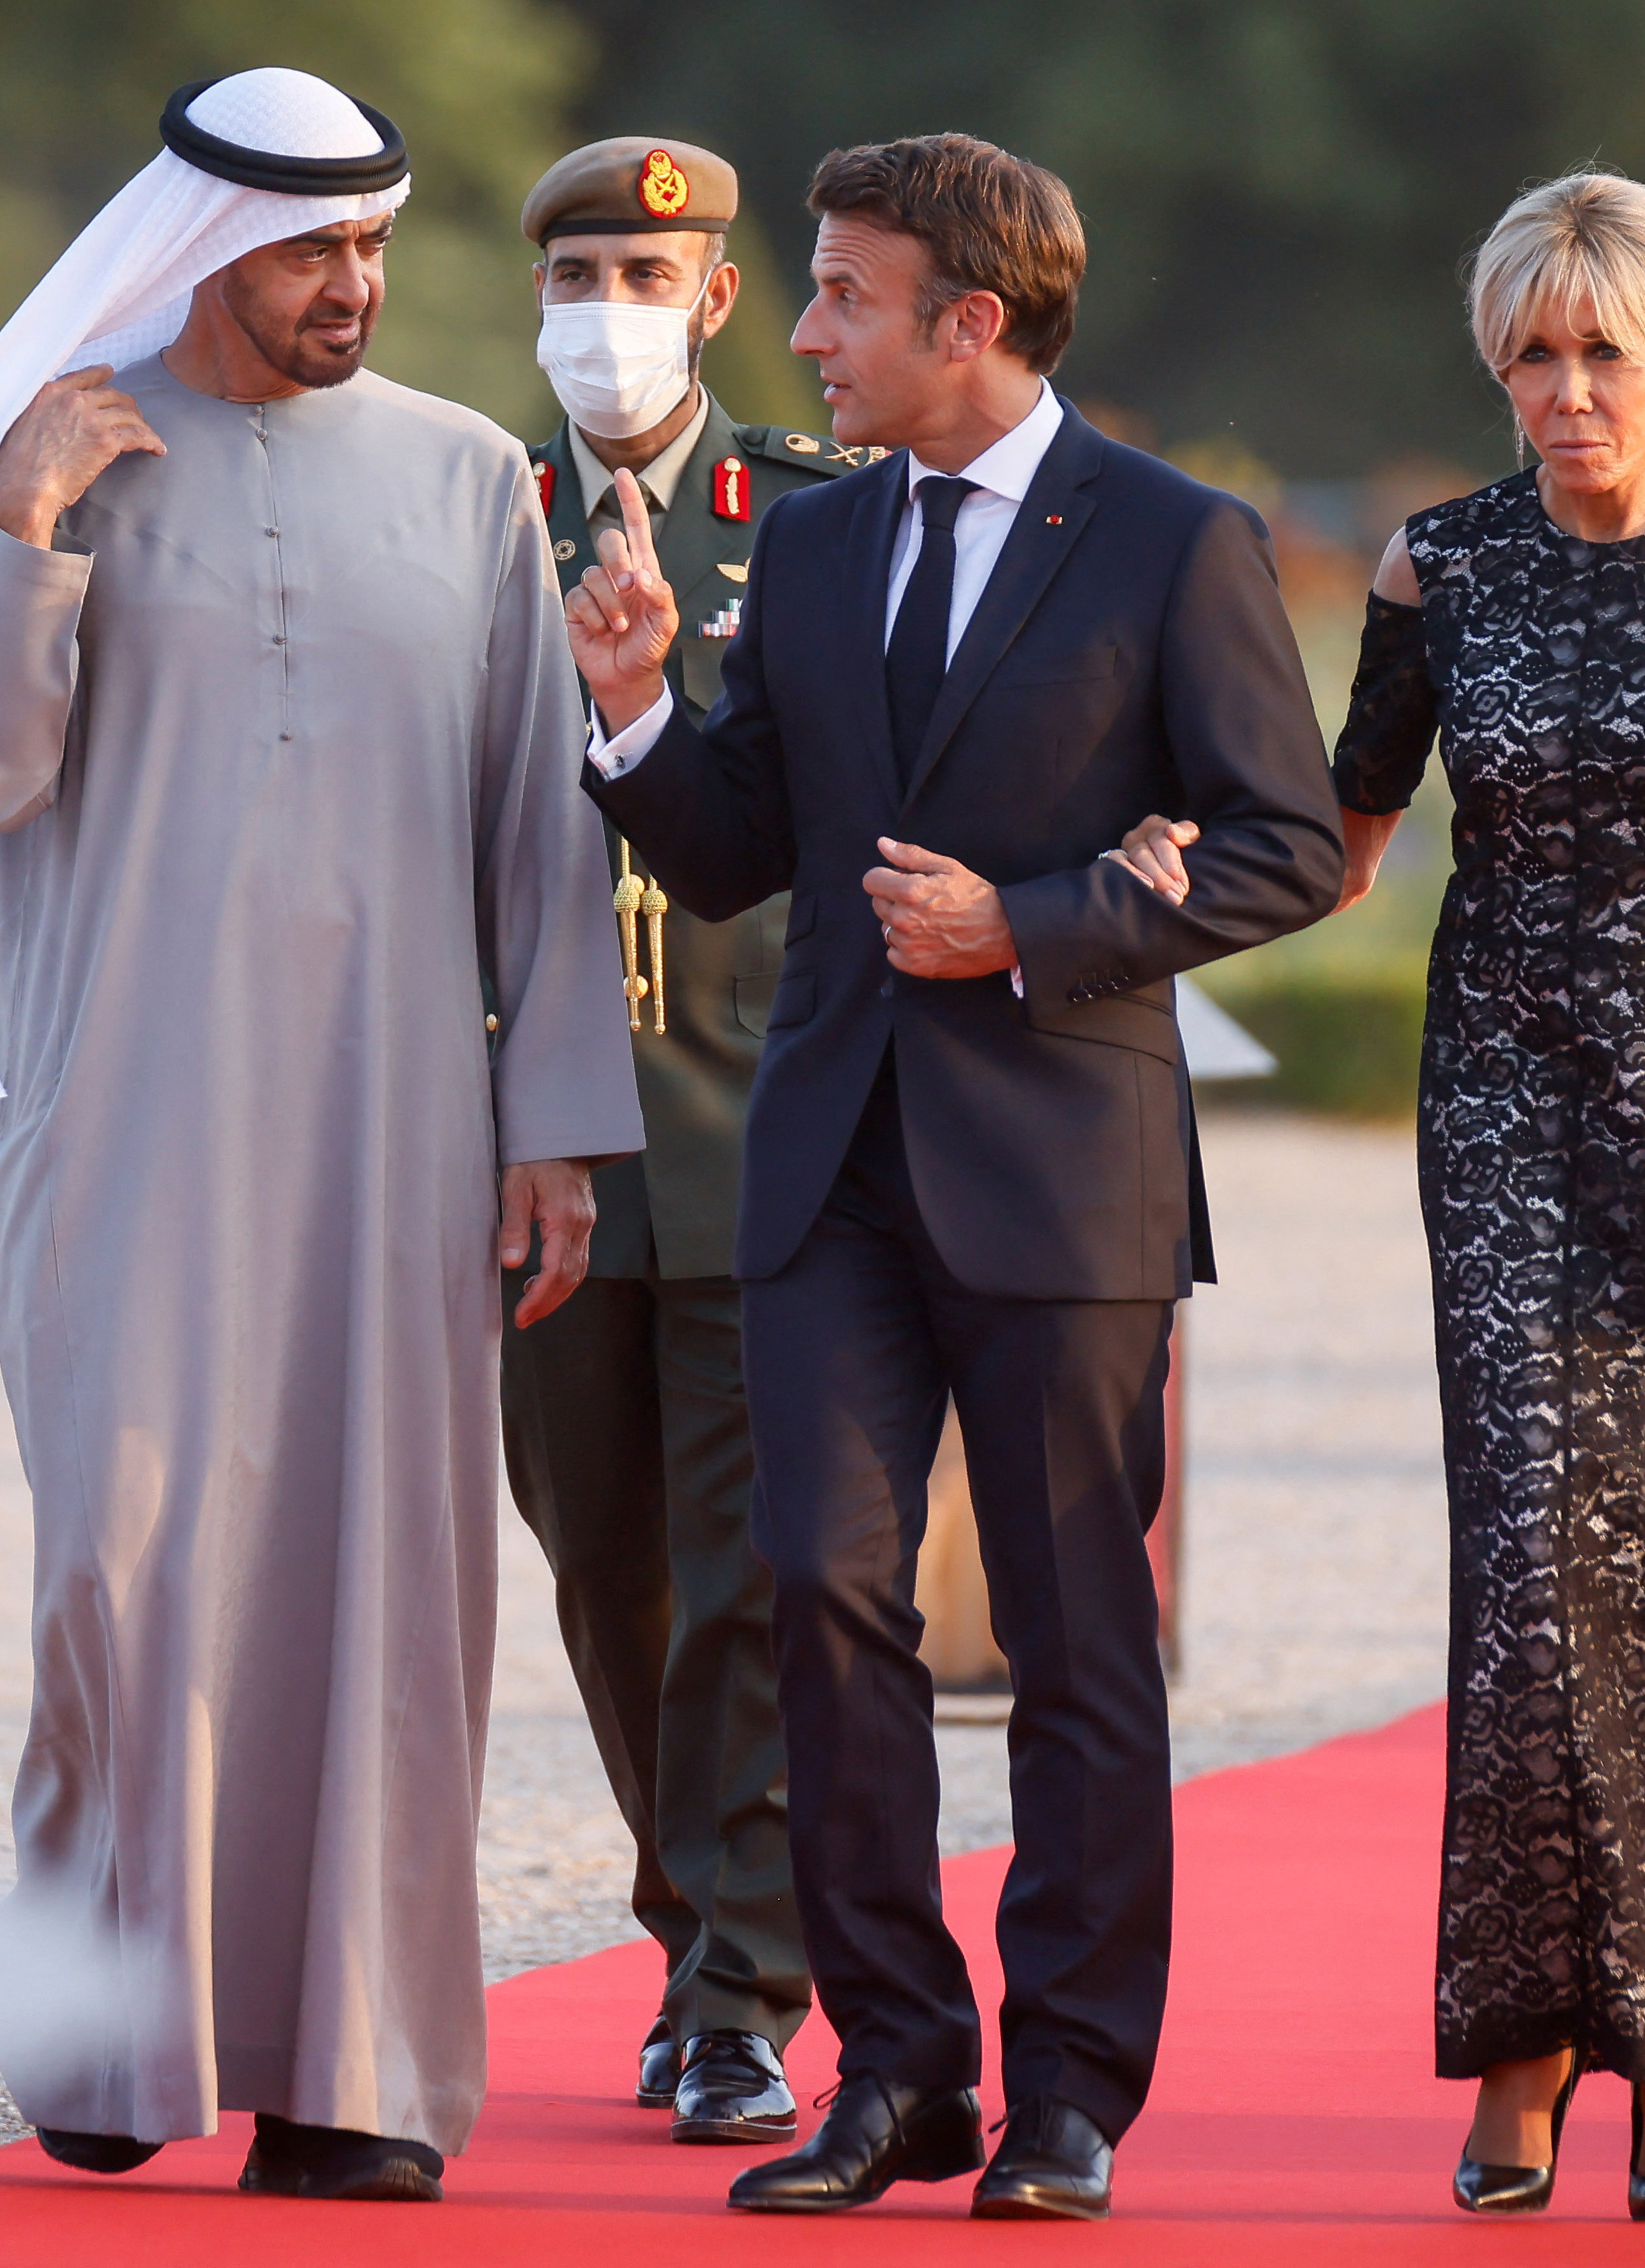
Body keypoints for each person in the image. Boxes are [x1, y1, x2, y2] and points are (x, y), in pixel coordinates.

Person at [0, 68, 643, 2203]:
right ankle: (111, 2043)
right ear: (208, 248)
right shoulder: (60, 448)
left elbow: (536, 823)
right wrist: (19, 529)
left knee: (389, 1580)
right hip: (118, 1108)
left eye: (372, 246)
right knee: (121, 1567)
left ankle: (357, 2074)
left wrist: (554, 1130)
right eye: (310, 251)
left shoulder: (468, 474)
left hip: (399, 1122)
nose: (351, 286)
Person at [572, 132, 1343, 2220]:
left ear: (969, 321)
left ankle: (1069, 2092)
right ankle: (898, 2073)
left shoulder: (1175, 541)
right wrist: (634, 714)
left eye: (841, 293)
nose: (806, 330)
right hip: (824, 1170)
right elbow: (738, 846)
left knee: (1079, 1645)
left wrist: (1033, 925)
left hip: (1065, 1174)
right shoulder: (816, 548)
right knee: (821, 1601)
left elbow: (1286, 845)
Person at [1167, 169, 1645, 2224]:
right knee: (1525, 1586)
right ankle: (1520, 2041)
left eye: (1601, 353)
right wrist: (1116, 894)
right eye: (1528, 355)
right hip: (1500, 1125)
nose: (1563, 393)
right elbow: (1332, 846)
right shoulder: (1444, 565)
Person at [505, 134, 875, 2149]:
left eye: (645, 280)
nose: (606, 316)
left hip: (757, 1123)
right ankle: (689, 1933)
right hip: (538, 1141)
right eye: (574, 278)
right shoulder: (477, 518)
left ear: (718, 301)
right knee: (608, 1574)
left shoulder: (814, 519)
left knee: (750, 1579)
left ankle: (739, 1991)